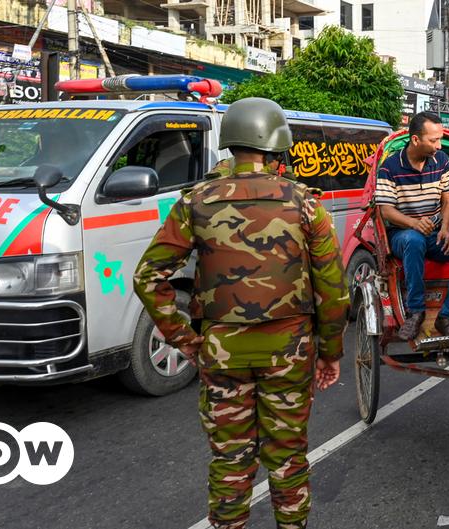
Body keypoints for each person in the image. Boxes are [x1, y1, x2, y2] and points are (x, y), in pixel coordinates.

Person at [133, 98, 348, 529]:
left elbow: (148, 277)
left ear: (231, 144)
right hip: (289, 351)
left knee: (230, 459)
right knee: (287, 456)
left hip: (221, 350)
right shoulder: (304, 203)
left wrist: (187, 340)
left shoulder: (195, 201)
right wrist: (330, 351)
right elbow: (332, 288)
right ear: (276, 145)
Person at [375, 111, 449, 340]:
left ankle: (446, 315)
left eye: (439, 139)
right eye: (433, 140)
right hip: (402, 234)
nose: (438, 145)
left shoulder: (442, 161)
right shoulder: (390, 167)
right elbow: (386, 210)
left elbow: (448, 201)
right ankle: (415, 311)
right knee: (413, 240)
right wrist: (414, 223)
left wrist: (446, 228)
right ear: (416, 139)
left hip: (436, 231)